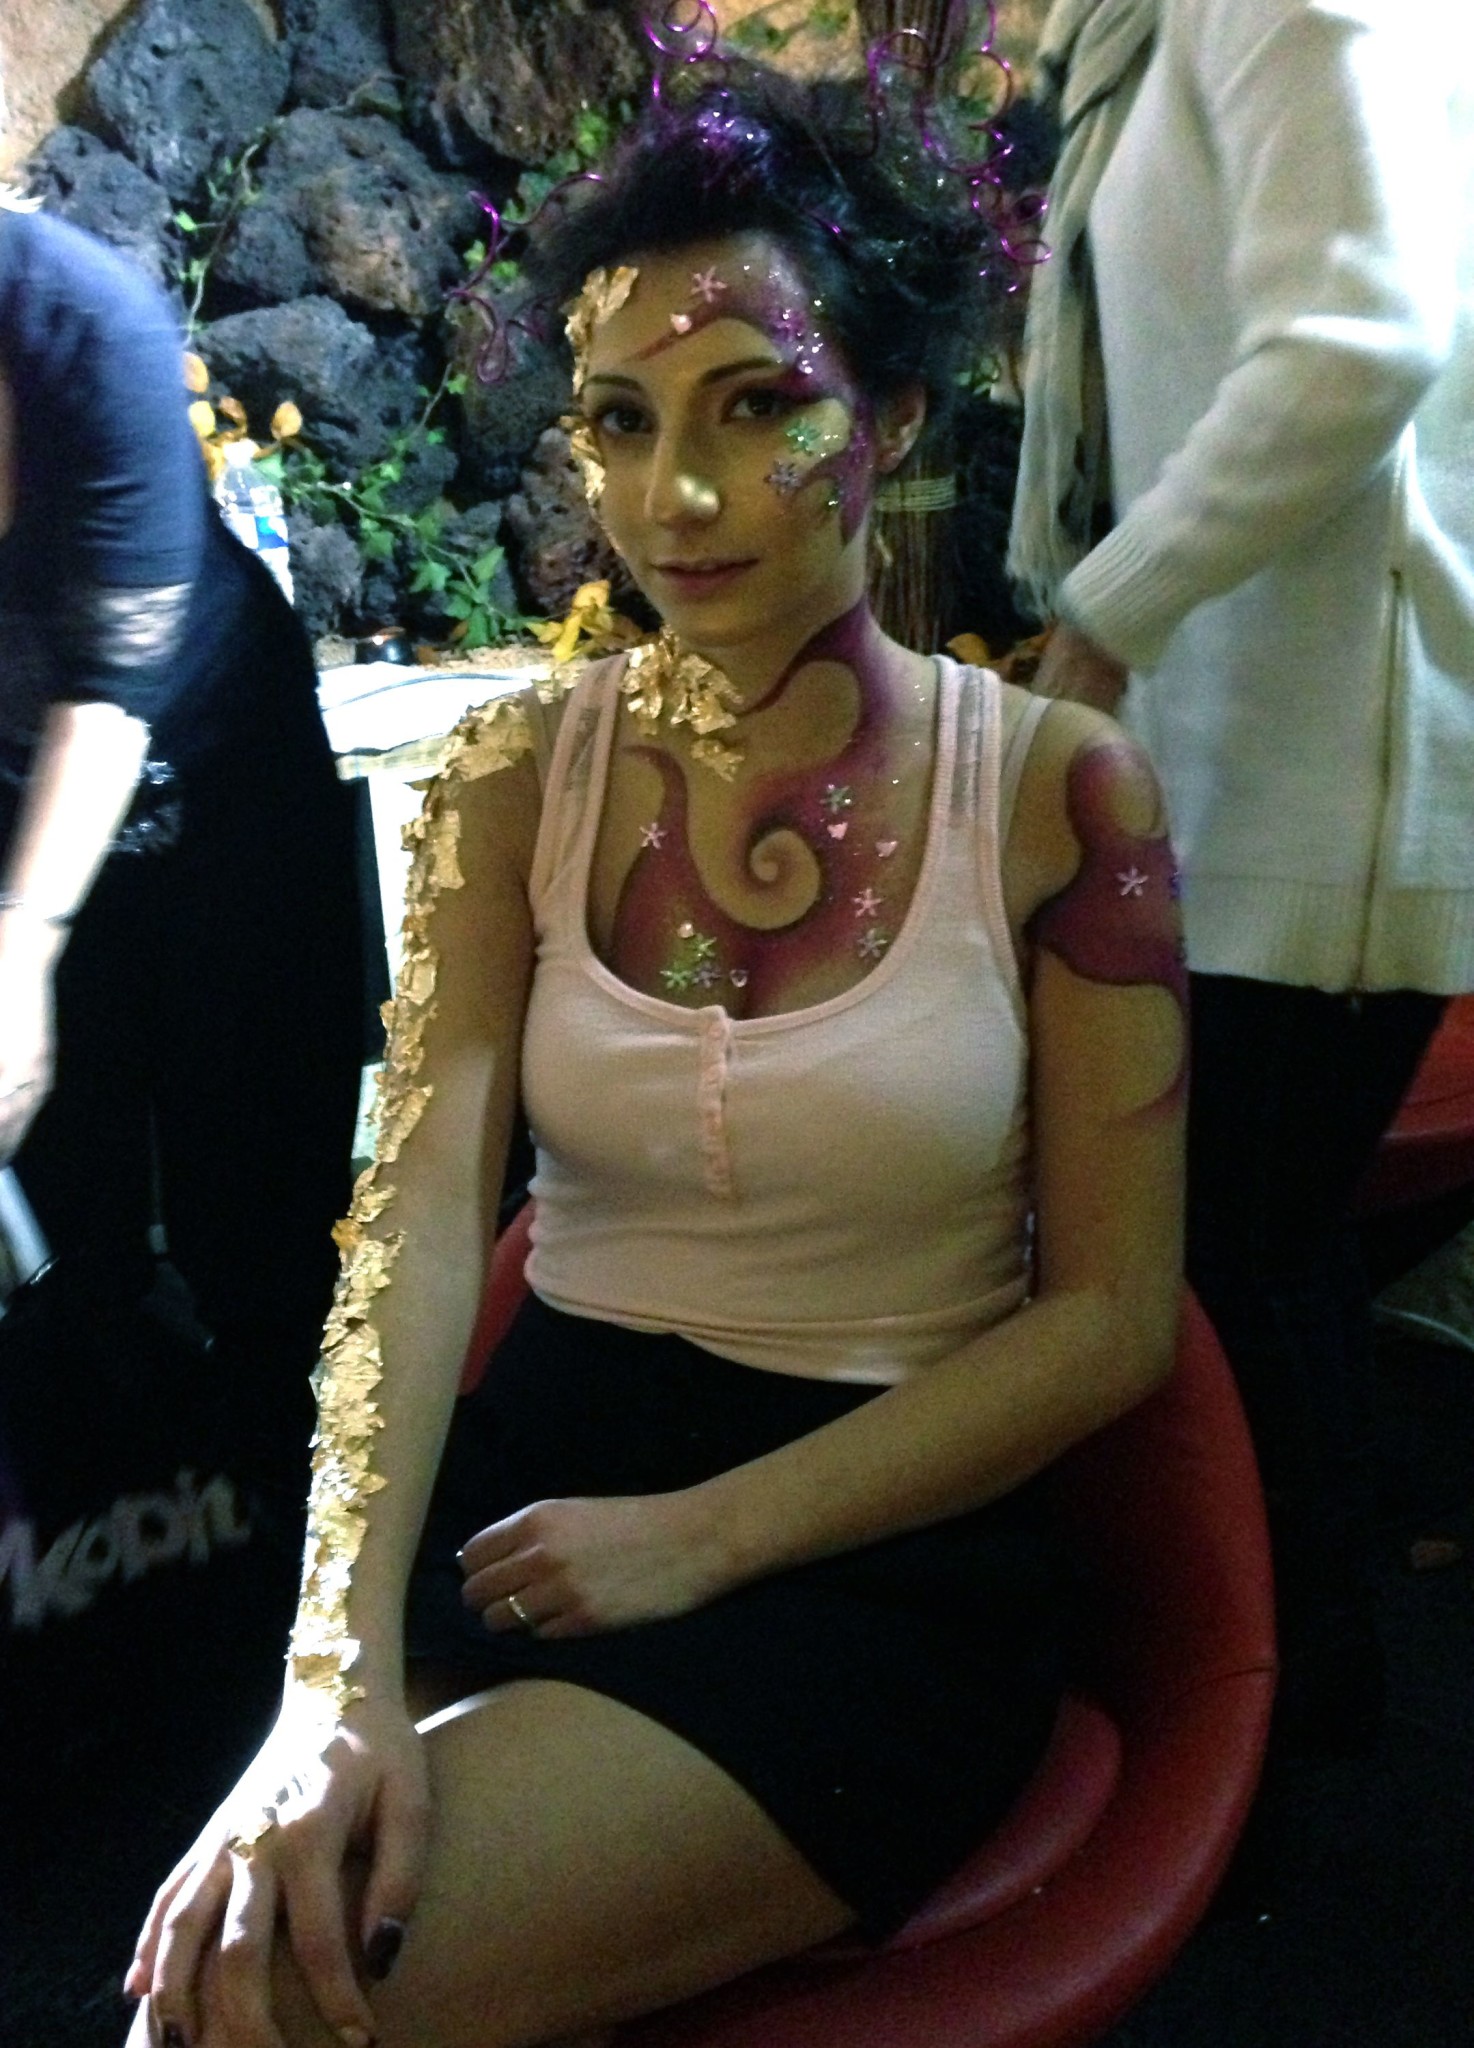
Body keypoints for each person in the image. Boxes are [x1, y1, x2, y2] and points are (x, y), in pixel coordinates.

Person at [124, 53, 1185, 2048]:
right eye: (619, 419)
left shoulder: (1062, 793)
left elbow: (1113, 1322)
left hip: (869, 1547)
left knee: (256, 2006)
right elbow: (414, 1220)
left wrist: (705, 1536)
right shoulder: (510, 775)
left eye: (755, 405)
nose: (669, 498)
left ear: (886, 412)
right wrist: (330, 1661)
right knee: (216, 1964)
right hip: (530, 1496)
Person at [1008, 0, 1474, 1747]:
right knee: (1247, 1258)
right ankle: (1277, 1722)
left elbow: (1359, 339)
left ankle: (1274, 1736)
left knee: (1231, 1260)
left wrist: (1102, 613)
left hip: (1318, 794)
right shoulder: (1157, 29)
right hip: (1248, 773)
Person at [0, 188, 364, 1387]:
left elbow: (109, 696)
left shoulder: (86, 323)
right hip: (20, 805)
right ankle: (105, 1466)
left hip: (222, 784)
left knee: (262, 1214)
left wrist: (18, 946)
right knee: (66, 1216)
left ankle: (279, 1464)